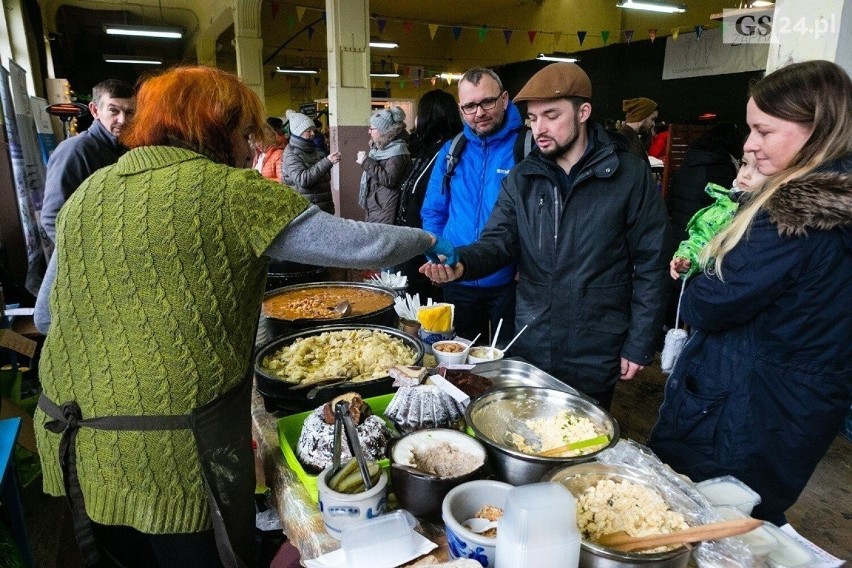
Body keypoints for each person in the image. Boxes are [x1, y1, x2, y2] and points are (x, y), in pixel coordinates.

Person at [32, 65, 454, 568]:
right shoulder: (231, 191)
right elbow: (364, 243)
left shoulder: (90, 191)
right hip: (171, 456)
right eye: (244, 130)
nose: (251, 144)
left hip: (72, 440)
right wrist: (429, 238)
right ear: (213, 126)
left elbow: (44, 318)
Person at [649, 60, 852, 526]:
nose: (749, 145)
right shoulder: (831, 199)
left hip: (747, 411)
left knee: (705, 525)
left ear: (817, 127)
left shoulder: (794, 212)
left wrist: (698, 275)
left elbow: (709, 302)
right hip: (792, 408)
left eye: (764, 131)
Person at [422, 63, 671, 410]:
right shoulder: (523, 178)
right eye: (533, 118)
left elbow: (651, 262)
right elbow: (498, 241)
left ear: (583, 112)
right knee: (532, 426)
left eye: (551, 116)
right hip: (533, 337)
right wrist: (461, 261)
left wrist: (640, 341)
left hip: (596, 341)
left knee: (584, 436)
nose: (539, 128)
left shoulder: (628, 176)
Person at [420, 68, 522, 343]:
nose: (479, 112)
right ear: (460, 108)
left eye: (487, 102)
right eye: (470, 106)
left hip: (509, 282)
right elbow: (434, 210)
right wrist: (437, 257)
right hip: (458, 276)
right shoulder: (453, 150)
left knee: (505, 359)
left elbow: (541, 218)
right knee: (462, 359)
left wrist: (529, 266)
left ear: (504, 99)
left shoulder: (526, 148)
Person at [40, 78, 135, 243]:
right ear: (95, 110)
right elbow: (51, 218)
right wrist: (86, 258)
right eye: (114, 111)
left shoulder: (126, 149)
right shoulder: (75, 150)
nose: (122, 120)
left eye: (129, 113)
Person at [395, 89, 464, 301]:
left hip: (429, 248)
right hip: (414, 243)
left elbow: (439, 207)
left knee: (426, 308)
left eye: (419, 113)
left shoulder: (450, 153)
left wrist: (437, 256)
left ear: (430, 116)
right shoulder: (427, 150)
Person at [670, 151, 766, 279]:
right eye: (744, 163)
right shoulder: (726, 206)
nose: (746, 174)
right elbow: (702, 238)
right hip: (717, 283)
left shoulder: (770, 216)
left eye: (759, 169)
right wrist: (687, 258)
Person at [665, 122, 744, 244]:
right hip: (700, 239)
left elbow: (671, 200)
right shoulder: (720, 167)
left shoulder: (689, 160)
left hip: (678, 234)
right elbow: (727, 208)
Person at [357, 106, 411, 224]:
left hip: (386, 207)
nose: (369, 131)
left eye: (372, 128)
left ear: (383, 130)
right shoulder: (380, 149)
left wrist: (366, 162)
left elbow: (389, 179)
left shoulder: (398, 151)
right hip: (378, 204)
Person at [281, 109, 340, 214]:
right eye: (308, 131)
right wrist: (327, 162)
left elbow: (319, 174)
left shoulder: (311, 148)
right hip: (306, 211)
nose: (313, 134)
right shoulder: (291, 153)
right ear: (298, 132)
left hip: (320, 208)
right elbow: (302, 180)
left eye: (313, 130)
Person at [253, 116, 287, 182]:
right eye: (255, 141)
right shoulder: (258, 155)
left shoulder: (279, 154)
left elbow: (282, 180)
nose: (257, 144)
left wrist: (261, 180)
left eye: (259, 140)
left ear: (268, 138)